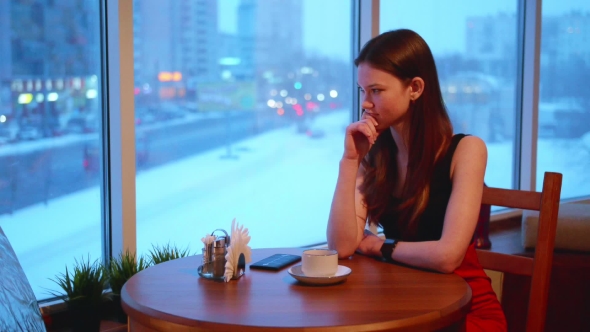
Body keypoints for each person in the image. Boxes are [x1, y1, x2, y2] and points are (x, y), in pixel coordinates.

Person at [326, 29, 507, 331]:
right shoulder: (374, 154)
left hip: (464, 308)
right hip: (405, 300)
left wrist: (378, 247)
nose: (366, 104)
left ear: (415, 88)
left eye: (376, 91)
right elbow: (342, 245)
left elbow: (448, 257)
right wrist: (350, 161)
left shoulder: (466, 150)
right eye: (362, 91)